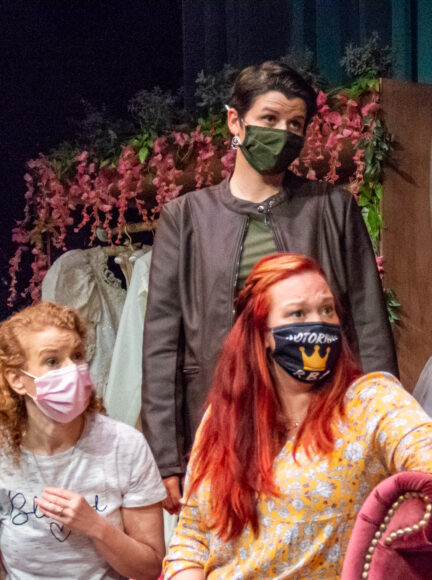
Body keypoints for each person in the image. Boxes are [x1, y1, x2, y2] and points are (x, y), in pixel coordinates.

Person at [161, 253, 432, 578]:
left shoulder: (367, 400)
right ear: (263, 335)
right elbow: (191, 535)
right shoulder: (222, 417)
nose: (318, 324)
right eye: (297, 313)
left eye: (326, 310)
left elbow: (425, 443)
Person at [143, 60, 398, 516]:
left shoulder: (332, 208)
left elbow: (368, 326)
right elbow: (162, 342)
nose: (283, 132)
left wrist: (384, 427)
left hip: (321, 415)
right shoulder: (185, 218)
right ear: (234, 121)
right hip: (223, 417)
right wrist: (165, 455)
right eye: (269, 119)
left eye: (295, 123)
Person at [0, 301, 166, 580]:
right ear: (17, 380)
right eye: (52, 361)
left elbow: (151, 568)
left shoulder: (125, 446)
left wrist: (96, 527)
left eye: (77, 356)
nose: (72, 370)